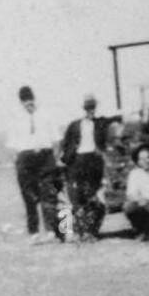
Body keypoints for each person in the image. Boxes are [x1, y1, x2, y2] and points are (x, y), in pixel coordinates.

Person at [5, 85, 64, 244]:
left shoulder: (46, 114)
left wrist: (55, 158)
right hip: (25, 159)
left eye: (30, 99)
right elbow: (11, 145)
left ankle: (51, 231)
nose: (28, 103)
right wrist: (17, 162)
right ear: (21, 102)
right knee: (29, 197)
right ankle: (34, 233)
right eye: (24, 100)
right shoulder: (15, 118)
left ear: (34, 99)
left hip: (45, 157)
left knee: (48, 195)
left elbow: (56, 139)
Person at [60, 94, 114, 241]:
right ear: (83, 109)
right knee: (74, 196)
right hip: (77, 161)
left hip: (93, 161)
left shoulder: (100, 123)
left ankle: (91, 231)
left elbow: (115, 120)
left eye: (92, 107)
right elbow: (65, 144)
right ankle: (73, 232)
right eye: (88, 107)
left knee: (93, 194)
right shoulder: (74, 125)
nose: (90, 110)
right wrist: (65, 161)